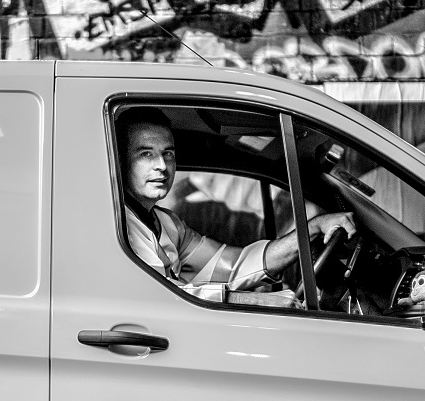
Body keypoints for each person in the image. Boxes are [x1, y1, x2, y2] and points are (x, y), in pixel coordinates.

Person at [119, 108, 356, 308]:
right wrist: (258, 301)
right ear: (121, 160)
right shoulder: (116, 225)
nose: (161, 165)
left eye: (167, 153)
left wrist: (313, 227)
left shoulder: (167, 224)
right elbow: (160, 297)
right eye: (146, 154)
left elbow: (232, 267)